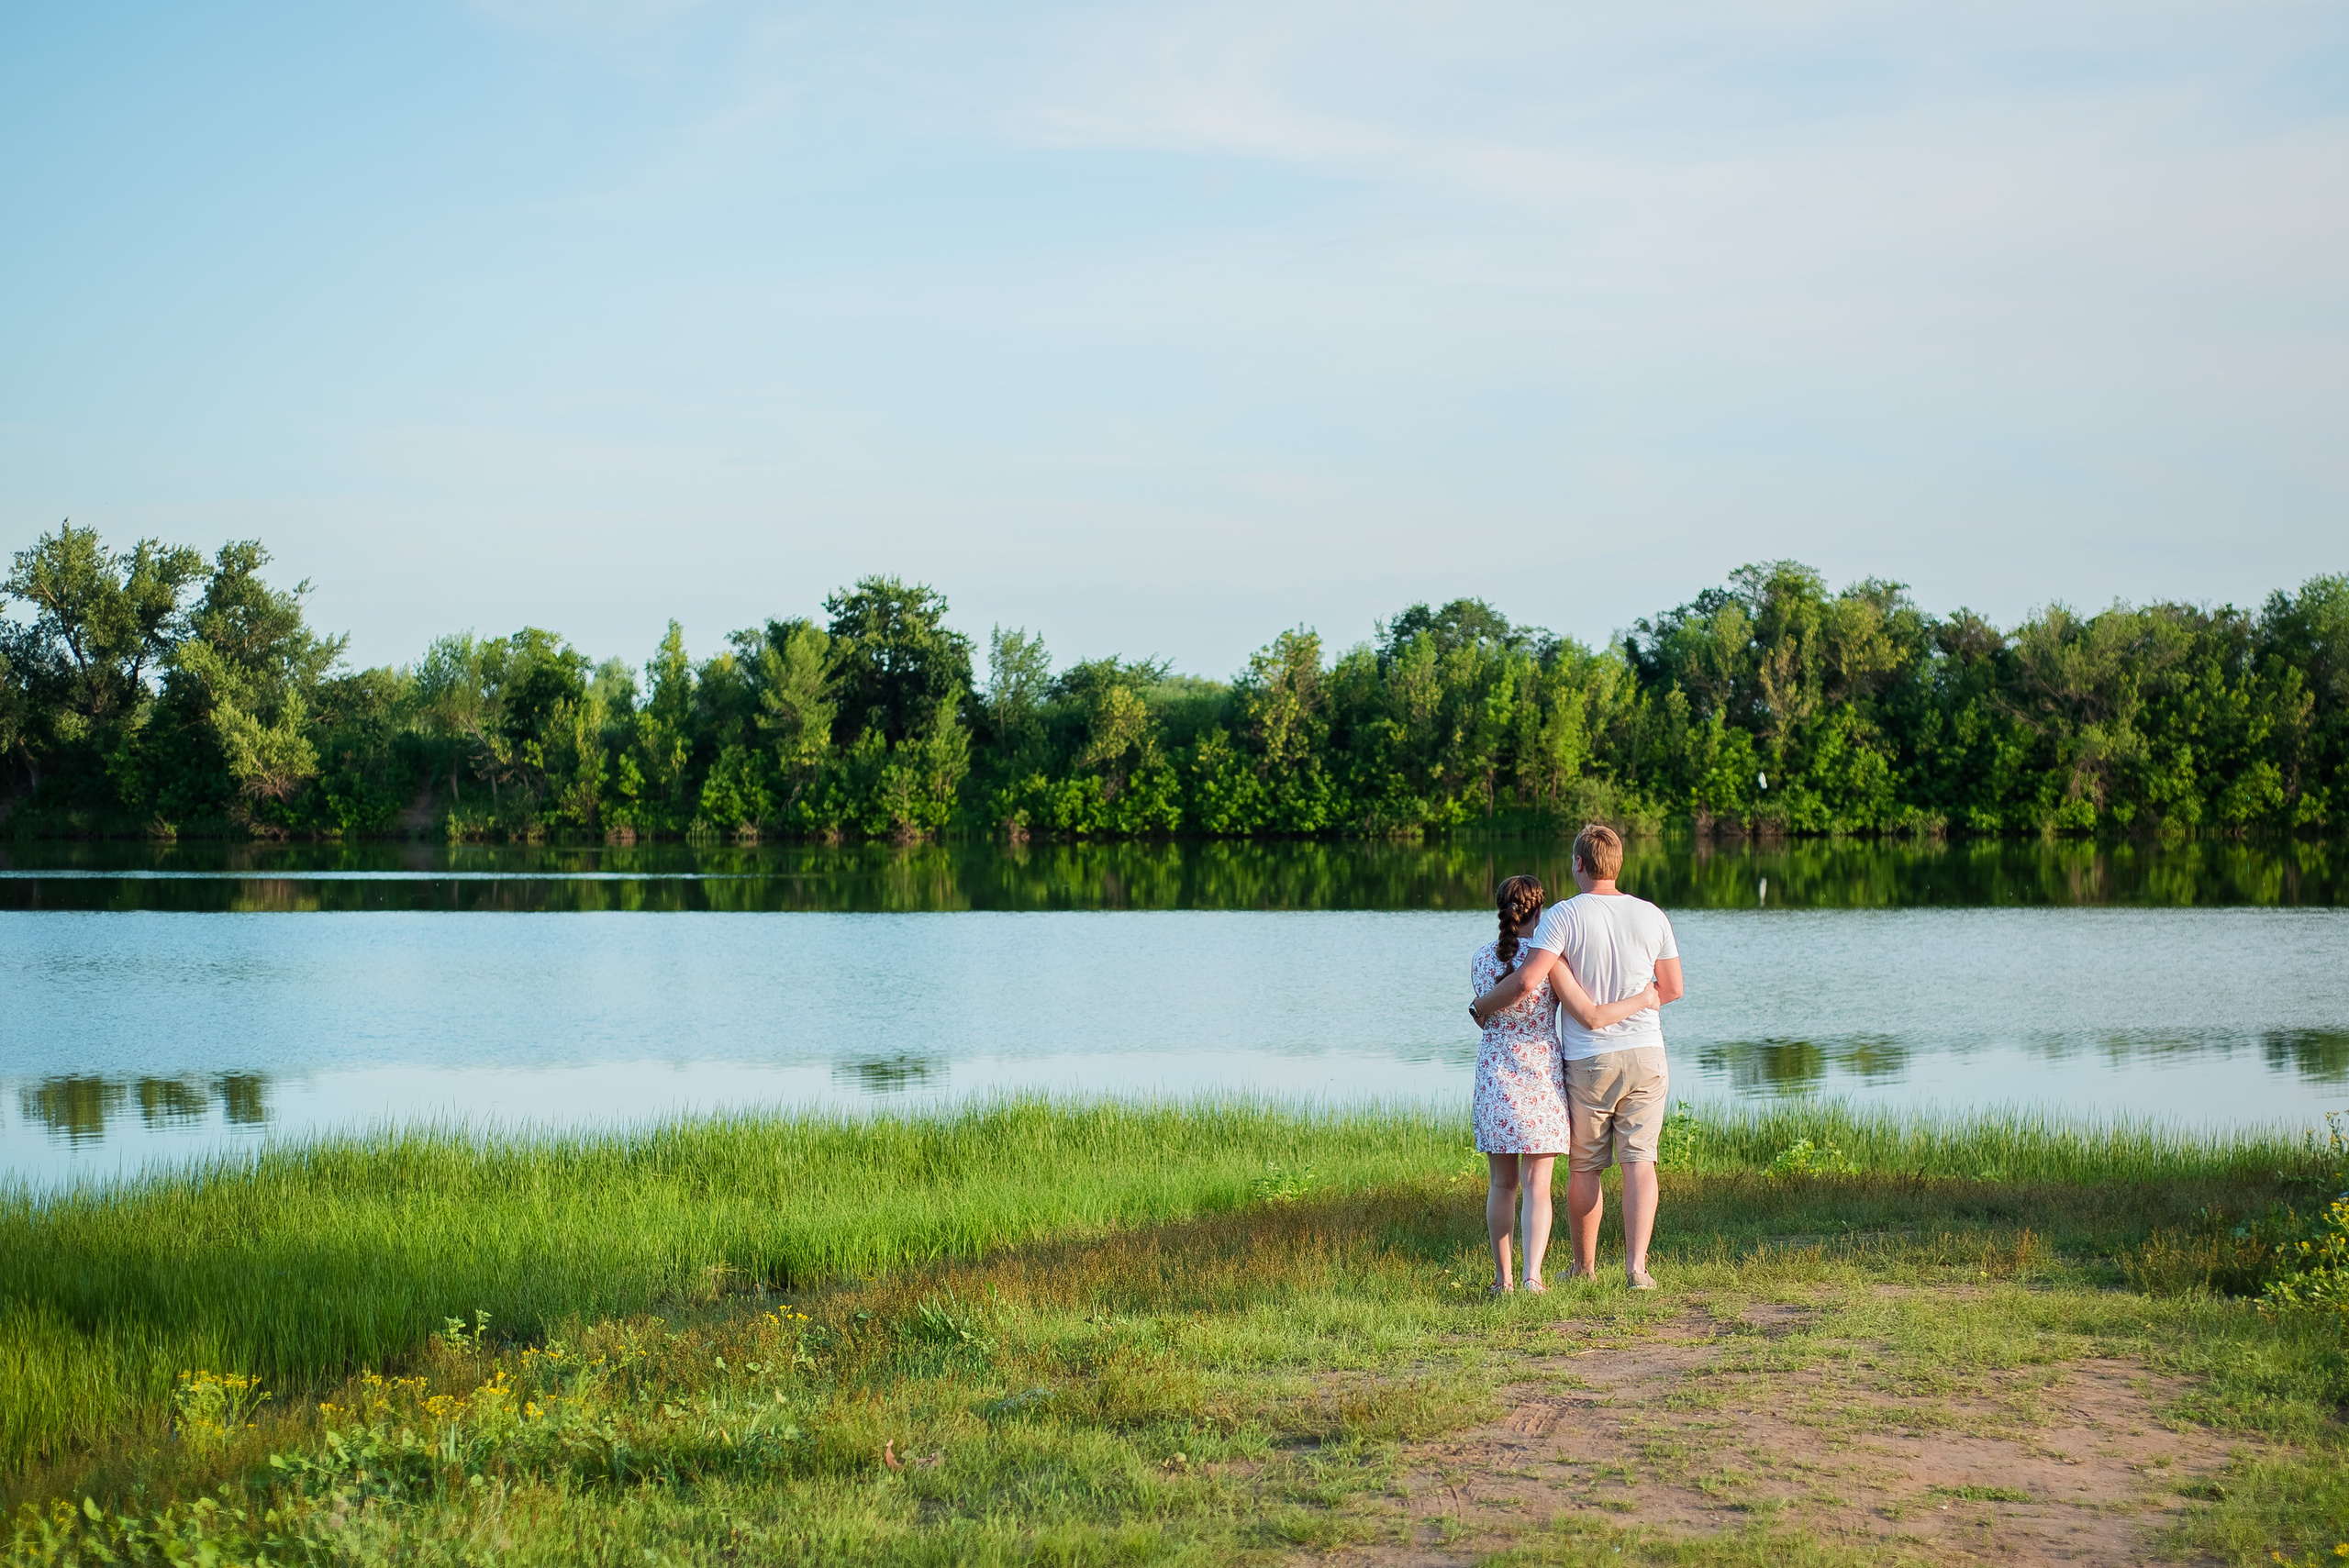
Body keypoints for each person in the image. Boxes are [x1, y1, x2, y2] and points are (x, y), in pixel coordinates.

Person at [1472, 825, 1684, 1289]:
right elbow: (1672, 989)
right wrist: (1643, 1001)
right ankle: (1636, 1268)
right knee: (1640, 1161)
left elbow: (1529, 980)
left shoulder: (1562, 917)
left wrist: (1480, 1008)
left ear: (1578, 865)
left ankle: (1583, 1268)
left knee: (1586, 1166)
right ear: (1619, 864)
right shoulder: (1653, 915)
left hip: (1589, 1060)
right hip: (1648, 1052)